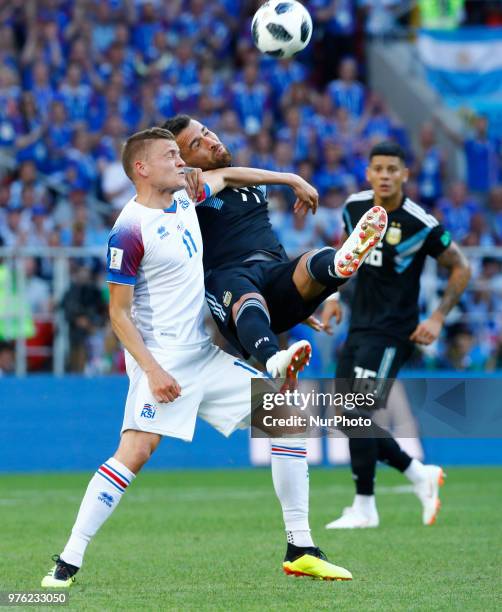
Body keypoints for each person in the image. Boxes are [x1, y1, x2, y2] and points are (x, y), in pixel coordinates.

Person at [41, 127, 353, 587]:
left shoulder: (187, 197)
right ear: (142, 168)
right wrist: (152, 370)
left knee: (285, 415)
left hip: (203, 355)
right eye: (171, 155)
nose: (181, 162)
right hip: (161, 360)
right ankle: (66, 563)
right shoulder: (127, 231)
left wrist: (288, 178)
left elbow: (231, 174)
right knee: (136, 451)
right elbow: (118, 315)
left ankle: (300, 547)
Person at [162, 115, 388, 384]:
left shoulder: (255, 184)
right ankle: (274, 358)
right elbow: (219, 177)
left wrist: (302, 307)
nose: (211, 142)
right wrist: (292, 179)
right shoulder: (192, 187)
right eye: (197, 144)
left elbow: (257, 223)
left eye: (208, 132)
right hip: (228, 277)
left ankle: (337, 264)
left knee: (309, 262)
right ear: (181, 161)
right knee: (247, 300)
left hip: (272, 271)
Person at [320, 141, 471, 529]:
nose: (385, 175)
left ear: (405, 174)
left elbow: (461, 267)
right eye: (378, 169)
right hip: (358, 326)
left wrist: (437, 318)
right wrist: (334, 295)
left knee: (356, 412)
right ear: (368, 173)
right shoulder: (355, 208)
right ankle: (418, 474)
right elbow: (345, 252)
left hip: (393, 332)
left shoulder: (420, 223)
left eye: (393, 169)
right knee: (347, 415)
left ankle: (365, 507)